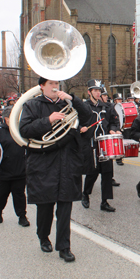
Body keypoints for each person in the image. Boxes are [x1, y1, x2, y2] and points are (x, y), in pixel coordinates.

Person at [19, 76, 91, 262]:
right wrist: (48, 120)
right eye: (51, 84)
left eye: (57, 84)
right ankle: (43, 236)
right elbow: (24, 130)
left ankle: (64, 247)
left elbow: (87, 116)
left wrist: (73, 99)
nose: (55, 87)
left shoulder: (68, 103)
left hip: (68, 162)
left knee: (65, 208)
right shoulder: (32, 105)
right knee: (45, 207)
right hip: (44, 163)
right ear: (42, 86)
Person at [80, 80, 121, 212]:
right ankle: (85, 194)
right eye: (95, 90)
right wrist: (81, 128)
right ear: (89, 92)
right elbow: (75, 122)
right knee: (92, 172)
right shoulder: (84, 107)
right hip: (91, 144)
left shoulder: (107, 107)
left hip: (105, 144)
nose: (98, 93)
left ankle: (105, 201)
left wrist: (113, 129)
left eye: (99, 91)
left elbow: (114, 121)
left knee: (107, 173)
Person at [0, 106, 29, 226]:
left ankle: (22, 216)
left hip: (20, 171)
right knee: (1, 195)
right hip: (3, 172)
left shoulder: (23, 132)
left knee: (19, 195)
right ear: (6, 119)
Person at [101, 88, 121, 187]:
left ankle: (110, 178)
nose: (106, 97)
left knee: (108, 160)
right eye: (104, 95)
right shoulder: (89, 106)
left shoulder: (109, 107)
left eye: (106, 95)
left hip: (107, 137)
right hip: (95, 138)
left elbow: (115, 121)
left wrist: (113, 129)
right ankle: (86, 191)